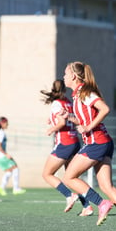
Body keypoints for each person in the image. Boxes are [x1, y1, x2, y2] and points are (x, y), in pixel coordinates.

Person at [62, 61, 116, 231]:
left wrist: (88, 127)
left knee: (68, 177)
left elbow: (104, 109)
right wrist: (70, 117)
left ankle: (100, 203)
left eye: (65, 73)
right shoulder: (77, 95)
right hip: (103, 142)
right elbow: (86, 118)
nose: (64, 77)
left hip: (96, 143)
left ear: (74, 76)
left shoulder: (85, 92)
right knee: (107, 186)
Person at [41, 80, 94, 216]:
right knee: (72, 177)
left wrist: (51, 129)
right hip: (74, 141)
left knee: (47, 174)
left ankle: (69, 195)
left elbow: (62, 122)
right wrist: (51, 120)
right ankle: (87, 206)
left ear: (53, 90)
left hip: (64, 143)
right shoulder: (68, 102)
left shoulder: (56, 103)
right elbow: (66, 118)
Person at [0, 116, 26, 196]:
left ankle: (2, 187)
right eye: (6, 123)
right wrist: (6, 154)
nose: (7, 124)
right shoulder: (1, 133)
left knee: (9, 171)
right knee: (15, 167)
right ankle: (16, 188)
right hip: (1, 155)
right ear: (1, 123)